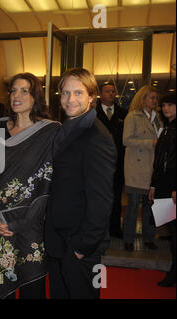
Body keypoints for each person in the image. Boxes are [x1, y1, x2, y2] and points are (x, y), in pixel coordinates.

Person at [0, 73, 60, 299]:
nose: (17, 96)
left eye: (24, 91)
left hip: (30, 223)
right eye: (13, 90)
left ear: (35, 95)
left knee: (31, 287)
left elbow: (48, 181)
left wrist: (20, 221)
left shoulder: (50, 132)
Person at [45, 68, 117, 299]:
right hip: (60, 239)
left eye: (78, 92)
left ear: (91, 97)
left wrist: (82, 246)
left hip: (80, 244)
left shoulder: (97, 137)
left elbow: (102, 199)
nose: (70, 99)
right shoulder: (67, 128)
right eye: (65, 93)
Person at [123, 85, 163, 252]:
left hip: (152, 168)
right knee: (132, 206)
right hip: (136, 168)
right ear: (142, 99)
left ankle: (148, 238)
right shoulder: (132, 116)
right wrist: (150, 143)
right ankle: (128, 240)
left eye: (155, 98)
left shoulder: (158, 118)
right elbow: (126, 140)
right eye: (151, 97)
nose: (154, 100)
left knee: (150, 206)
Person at [148, 93, 176, 287]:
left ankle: (173, 274)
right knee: (172, 232)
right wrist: (153, 185)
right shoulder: (166, 128)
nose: (166, 108)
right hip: (164, 186)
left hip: (172, 187)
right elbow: (159, 161)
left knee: (175, 233)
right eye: (164, 105)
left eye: (171, 105)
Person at [96, 82, 128, 238]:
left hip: (118, 163)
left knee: (116, 196)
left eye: (113, 91)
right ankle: (99, 229)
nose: (111, 94)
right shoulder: (92, 113)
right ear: (101, 94)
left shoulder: (124, 114)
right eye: (107, 91)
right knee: (98, 196)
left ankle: (115, 228)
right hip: (97, 163)